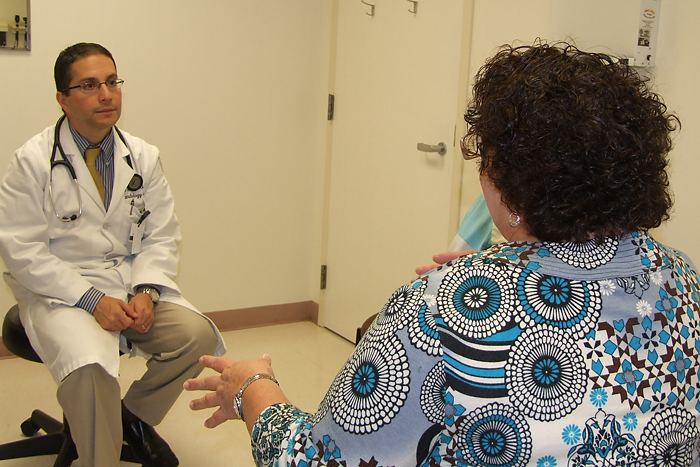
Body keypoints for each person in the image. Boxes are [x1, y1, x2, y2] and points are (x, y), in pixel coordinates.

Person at [184, 42, 700, 466]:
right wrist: (498, 277)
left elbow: (322, 460)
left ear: (513, 195)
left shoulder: (437, 306)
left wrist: (253, 389)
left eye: (486, 162)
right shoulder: (683, 281)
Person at [0, 42, 226, 467]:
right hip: (59, 290)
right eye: (89, 85)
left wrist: (146, 291)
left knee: (195, 337)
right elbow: (22, 253)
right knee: (89, 364)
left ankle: (131, 418)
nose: (106, 94)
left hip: (127, 280)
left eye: (111, 82)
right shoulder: (32, 161)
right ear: (63, 99)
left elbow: (161, 235)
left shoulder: (142, 156)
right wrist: (92, 300)